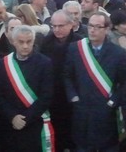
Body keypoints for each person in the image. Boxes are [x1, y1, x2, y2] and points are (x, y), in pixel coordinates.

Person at [64, 12, 126, 152]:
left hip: (106, 113)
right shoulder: (76, 49)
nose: (92, 30)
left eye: (98, 27)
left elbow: (125, 83)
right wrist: (73, 97)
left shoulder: (118, 53)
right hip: (82, 112)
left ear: (106, 29)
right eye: (90, 26)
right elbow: (67, 76)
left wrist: (113, 101)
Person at [0, 25, 54, 152]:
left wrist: (26, 118)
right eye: (21, 42)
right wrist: (12, 116)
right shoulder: (3, 64)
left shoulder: (45, 63)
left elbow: (46, 96)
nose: (25, 46)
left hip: (34, 124)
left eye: (29, 42)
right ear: (13, 41)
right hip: (10, 125)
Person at [39, 10, 83, 152]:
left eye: (61, 26)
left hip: (75, 96)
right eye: (54, 26)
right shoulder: (46, 42)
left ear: (71, 24)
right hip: (53, 96)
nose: (56, 29)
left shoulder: (80, 42)